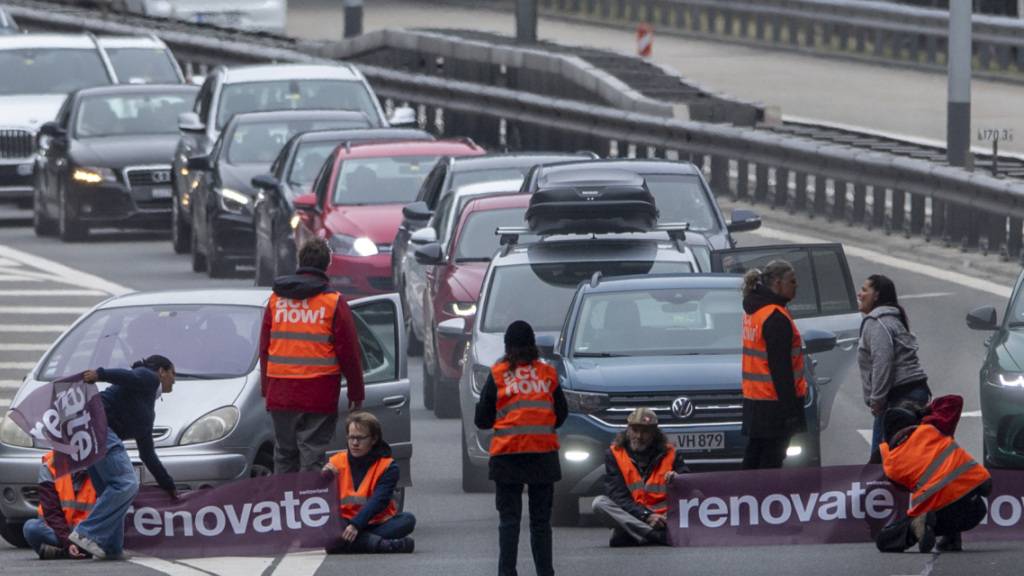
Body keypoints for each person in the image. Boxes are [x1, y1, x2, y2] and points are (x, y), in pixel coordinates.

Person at [260, 237, 365, 474]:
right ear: (327, 264)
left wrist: (267, 388)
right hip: (319, 392)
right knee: (312, 455)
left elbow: (264, 347)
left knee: (285, 455)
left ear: (300, 261)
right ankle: (310, 506)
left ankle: (283, 508)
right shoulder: (332, 302)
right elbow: (349, 354)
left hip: (281, 392)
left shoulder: (277, 300)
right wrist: (356, 393)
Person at [475, 320, 568, 576]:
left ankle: (507, 572)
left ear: (507, 346)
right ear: (533, 346)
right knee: (540, 523)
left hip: (508, 457)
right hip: (543, 457)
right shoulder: (548, 373)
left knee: (509, 522)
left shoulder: (498, 375)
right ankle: (545, 572)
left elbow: (481, 419)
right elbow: (561, 414)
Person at [69, 355, 177, 560]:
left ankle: (110, 546)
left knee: (114, 492)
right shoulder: (148, 377)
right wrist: (100, 374)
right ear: (162, 371)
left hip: (86, 431)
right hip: (96, 425)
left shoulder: (146, 408)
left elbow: (147, 454)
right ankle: (85, 533)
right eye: (173, 373)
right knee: (126, 483)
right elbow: (128, 377)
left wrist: (168, 485)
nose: (174, 380)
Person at [875, 395, 991, 553]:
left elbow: (906, 487)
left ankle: (915, 526)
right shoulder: (933, 428)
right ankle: (951, 539)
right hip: (974, 508)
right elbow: (955, 400)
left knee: (885, 539)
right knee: (951, 485)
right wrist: (925, 411)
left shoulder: (891, 465)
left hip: (938, 507)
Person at [857, 274, 931, 462]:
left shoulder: (877, 322)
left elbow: (883, 362)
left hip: (898, 398)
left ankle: (882, 492)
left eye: (865, 289)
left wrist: (877, 400)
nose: (859, 294)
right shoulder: (893, 318)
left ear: (877, 295)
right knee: (908, 458)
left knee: (881, 462)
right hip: (915, 394)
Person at [740, 260, 806, 469]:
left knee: (754, 458)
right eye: (792, 281)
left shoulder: (755, 311)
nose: (796, 285)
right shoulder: (775, 316)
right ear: (777, 283)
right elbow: (781, 370)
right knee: (771, 463)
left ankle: (742, 498)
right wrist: (791, 413)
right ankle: (763, 500)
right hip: (775, 404)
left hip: (755, 401)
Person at [321, 411, 415, 554]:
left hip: (376, 523)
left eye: (360, 438)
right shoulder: (335, 462)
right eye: (351, 437)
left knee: (407, 520)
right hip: (344, 522)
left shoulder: (388, 466)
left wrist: (356, 525)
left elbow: (379, 501)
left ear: (374, 439)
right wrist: (324, 479)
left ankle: (350, 542)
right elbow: (319, 501)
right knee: (328, 527)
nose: (354, 443)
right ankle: (382, 545)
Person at [591, 408, 688, 547]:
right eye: (635, 430)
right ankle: (654, 536)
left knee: (697, 498)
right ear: (628, 430)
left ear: (655, 433)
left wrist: (678, 478)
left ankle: (633, 534)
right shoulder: (615, 454)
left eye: (645, 432)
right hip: (634, 515)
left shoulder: (671, 453)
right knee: (599, 503)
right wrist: (646, 516)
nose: (639, 436)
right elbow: (618, 496)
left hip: (666, 517)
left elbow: (690, 488)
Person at [22, 451, 96, 560]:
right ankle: (76, 552)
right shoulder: (50, 465)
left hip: (86, 534)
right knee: (31, 528)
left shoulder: (98, 464)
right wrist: (68, 543)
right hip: (58, 532)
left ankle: (61, 553)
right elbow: (52, 513)